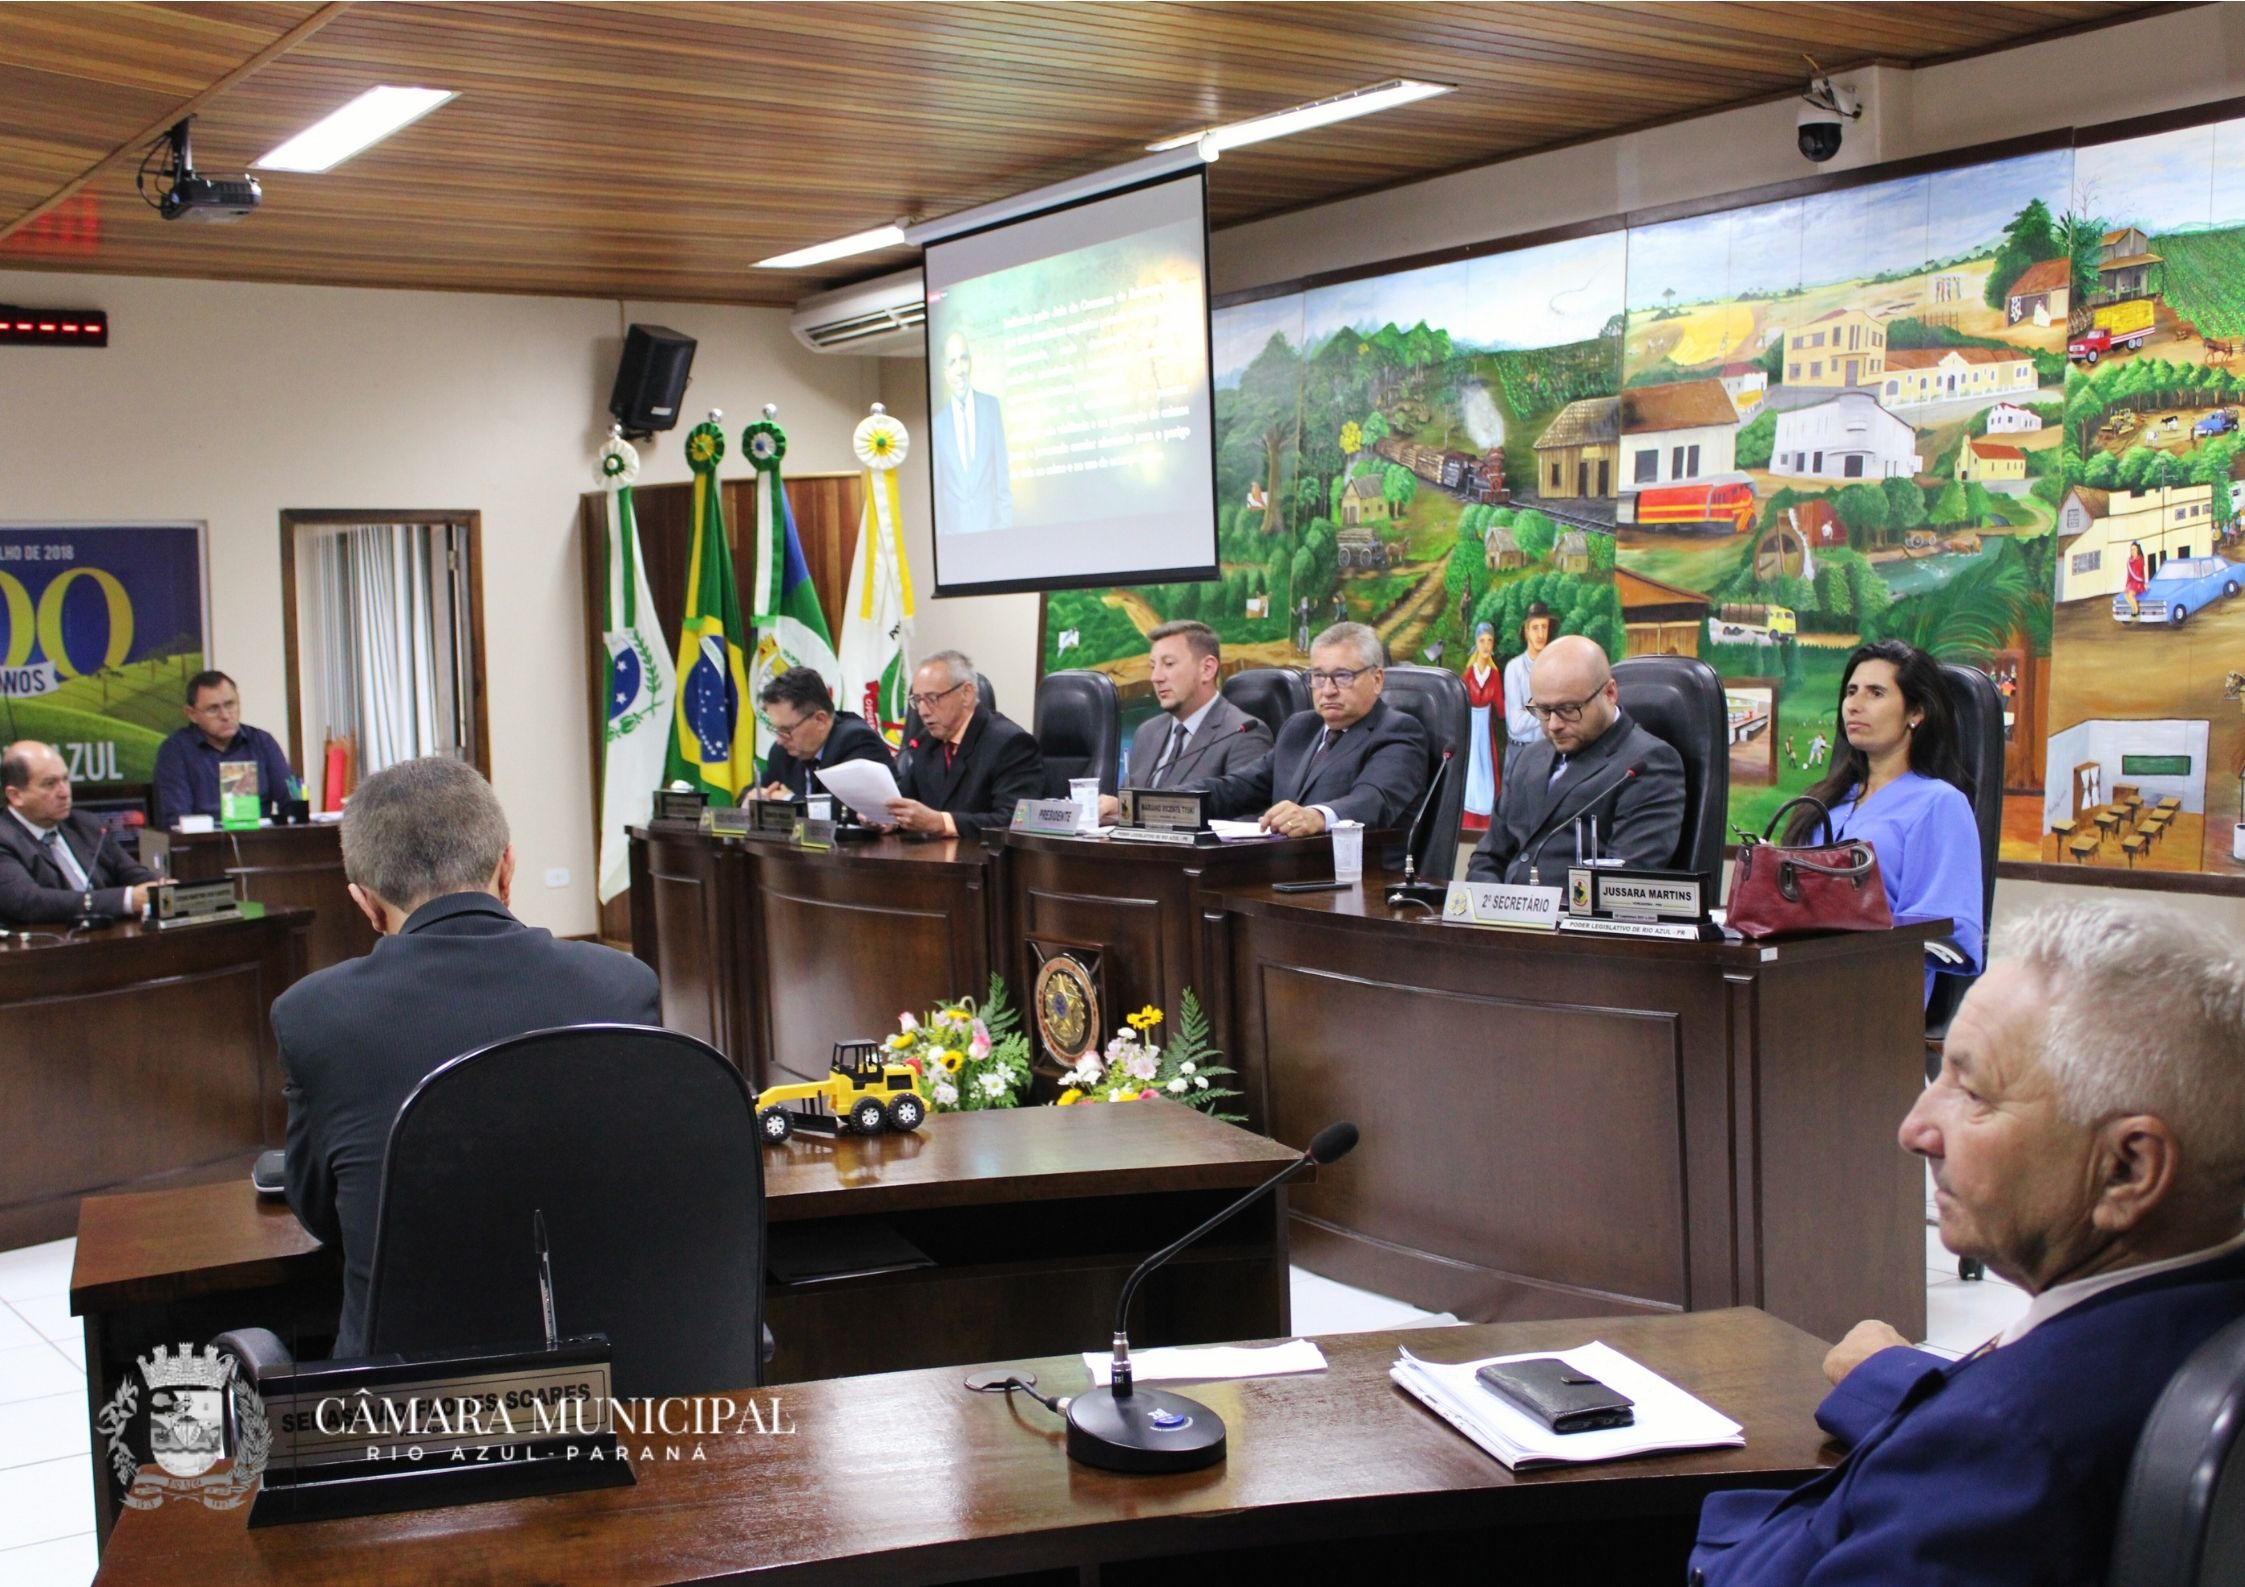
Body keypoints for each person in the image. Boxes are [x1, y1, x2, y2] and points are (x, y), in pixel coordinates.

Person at [1689, 899, 2245, 1586]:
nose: (1914, 1129)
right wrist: (1888, 1376)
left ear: (2127, 1168)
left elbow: (2010, 1433)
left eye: (1973, 1093)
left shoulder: (2003, 1445)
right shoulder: (2194, 1318)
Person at [272, 755, 659, 1358]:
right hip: (616, 1383)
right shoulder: (622, 987)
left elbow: (323, 1216)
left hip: (403, 1399)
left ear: (366, 904)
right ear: (508, 870)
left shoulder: (312, 1014)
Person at [1788, 638, 1983, 1004]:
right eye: (1851, 691)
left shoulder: (1939, 804)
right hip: (1792, 982)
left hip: (1875, 999)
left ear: (1916, 712)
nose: (1854, 705)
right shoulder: (1824, 800)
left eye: (1875, 693)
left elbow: (1948, 930)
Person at [1467, 635, 1685, 885]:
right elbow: (1488, 858)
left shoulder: (1647, 764)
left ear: (1610, 693)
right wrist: (1486, 903)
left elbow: (1621, 883)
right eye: (1543, 710)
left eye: (1568, 709)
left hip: (1575, 908)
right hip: (1505, 908)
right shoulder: (1529, 758)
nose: (1554, 725)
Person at [1193, 622, 1427, 837]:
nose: (1328, 690)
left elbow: (1373, 801)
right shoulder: (1301, 729)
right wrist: (1179, 800)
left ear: (1377, 680)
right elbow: (1238, 788)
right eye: (1318, 677)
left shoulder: (1398, 731)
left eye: (1343, 676)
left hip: (1357, 866)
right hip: (1285, 863)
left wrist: (1317, 817)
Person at [1098, 621, 1271, 820]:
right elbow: (1127, 814)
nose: (1155, 677)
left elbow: (1243, 829)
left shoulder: (1243, 733)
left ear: (1207, 669)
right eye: (1153, 666)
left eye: (1169, 664)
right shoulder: (1147, 732)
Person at [0, 741, 167, 924]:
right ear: (16, 795)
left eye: (65, 779)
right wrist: (127, 900)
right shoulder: (4, 838)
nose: (64, 792)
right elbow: (29, 902)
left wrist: (160, 887)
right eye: (49, 784)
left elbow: (132, 873)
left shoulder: (85, 824)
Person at [885, 651, 1045, 839]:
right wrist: (888, 819)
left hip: (983, 856)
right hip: (932, 855)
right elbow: (908, 801)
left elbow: (1014, 820)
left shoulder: (1011, 744)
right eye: (918, 700)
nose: (922, 711)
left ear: (966, 694)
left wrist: (941, 823)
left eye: (932, 698)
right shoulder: (926, 742)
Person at [150, 670, 298, 826]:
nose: (225, 716)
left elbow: (291, 802)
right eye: (213, 709)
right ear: (192, 714)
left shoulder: (262, 742)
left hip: (259, 838)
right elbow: (177, 819)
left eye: (230, 705)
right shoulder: (175, 751)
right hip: (204, 839)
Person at [752, 667, 892, 802]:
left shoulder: (856, 741)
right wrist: (752, 797)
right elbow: (759, 789)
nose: (780, 740)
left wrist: (787, 799)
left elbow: (845, 810)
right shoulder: (783, 752)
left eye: (787, 730)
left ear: (820, 720)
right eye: (776, 730)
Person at [928, 330, 1014, 537]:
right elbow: (938, 492)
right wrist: (944, 538)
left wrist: (1005, 529)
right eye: (952, 362)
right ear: (945, 372)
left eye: (964, 359)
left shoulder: (991, 408)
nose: (960, 370)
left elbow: (1002, 478)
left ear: (971, 362)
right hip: (955, 542)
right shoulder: (937, 426)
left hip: (993, 537)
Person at [1500, 600, 1552, 784]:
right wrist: (1548, 710)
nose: (1541, 634)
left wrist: (1531, 708)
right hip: (1519, 753)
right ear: (1526, 631)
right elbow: (1515, 724)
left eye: (1544, 627)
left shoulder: (1554, 666)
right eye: (1535, 628)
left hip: (1547, 752)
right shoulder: (1514, 668)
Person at [1460, 622, 1501, 826]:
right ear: (1476, 643)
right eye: (1482, 640)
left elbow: (1501, 707)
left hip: (1485, 729)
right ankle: (1468, 820)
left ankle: (1486, 821)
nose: (1485, 645)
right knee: (1472, 772)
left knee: (1486, 772)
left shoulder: (1494, 675)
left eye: (1489, 641)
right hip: (1471, 727)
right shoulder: (1468, 674)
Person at [2124, 539, 2147, 616]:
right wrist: (2127, 584)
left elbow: (2139, 574)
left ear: (2138, 550)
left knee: (2130, 594)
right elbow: (2129, 574)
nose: (2132, 551)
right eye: (2131, 549)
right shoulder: (2129, 560)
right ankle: (2133, 608)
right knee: (2126, 595)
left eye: (2134, 549)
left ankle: (2136, 610)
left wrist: (2144, 583)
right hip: (2131, 582)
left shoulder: (2140, 559)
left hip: (2138, 582)